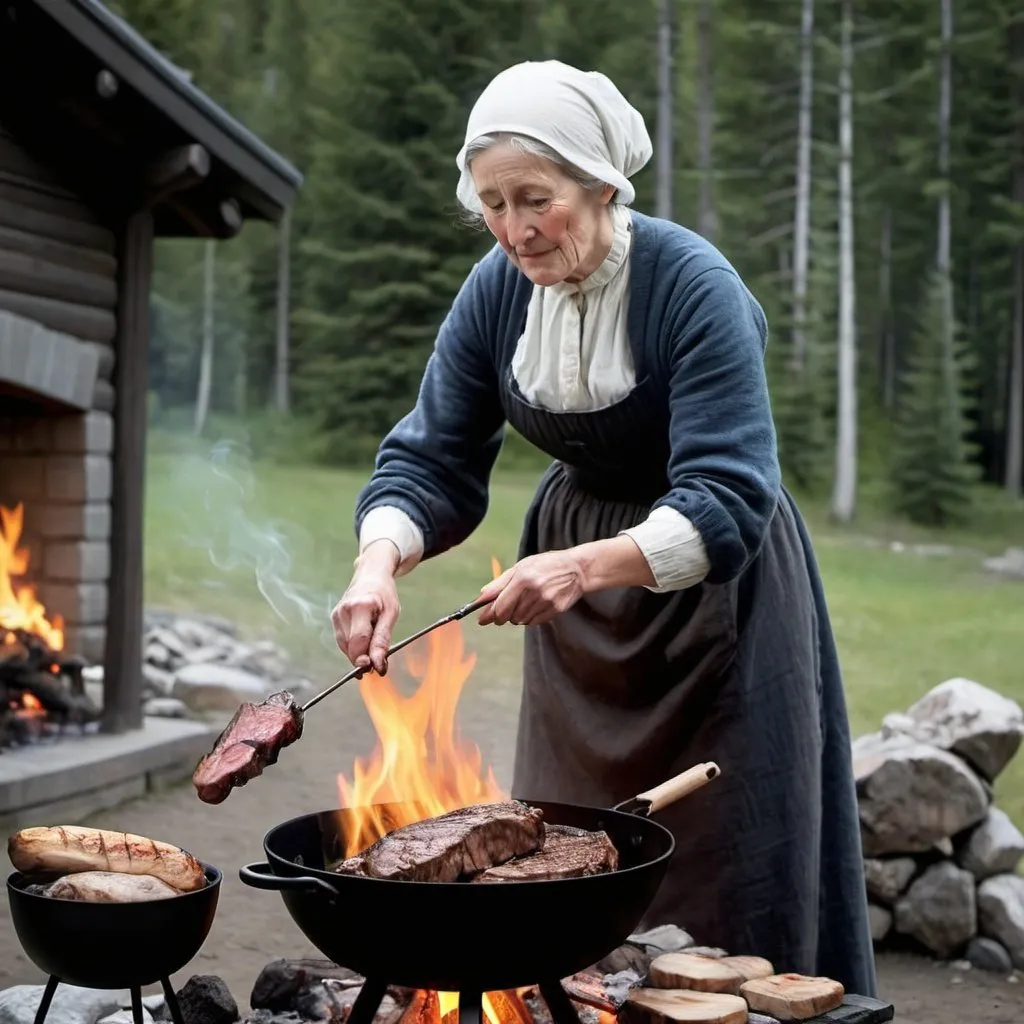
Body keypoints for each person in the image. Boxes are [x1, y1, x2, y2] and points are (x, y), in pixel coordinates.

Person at [332, 59, 877, 996]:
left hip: (718, 590)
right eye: (492, 204)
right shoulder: (495, 292)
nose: (513, 229)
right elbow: (432, 457)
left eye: (534, 199)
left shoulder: (693, 286)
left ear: (602, 185)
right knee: (564, 845)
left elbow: (730, 495)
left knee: (726, 849)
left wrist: (582, 568)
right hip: (579, 610)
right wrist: (376, 565)